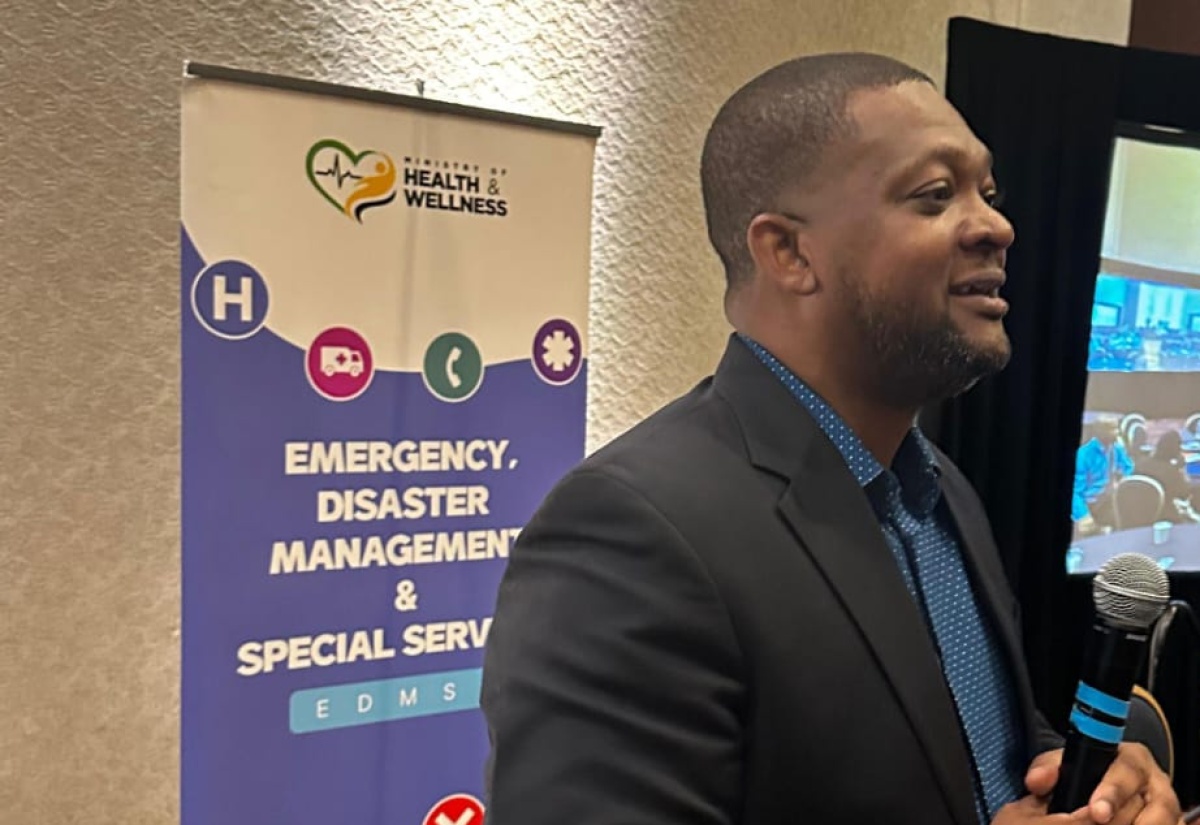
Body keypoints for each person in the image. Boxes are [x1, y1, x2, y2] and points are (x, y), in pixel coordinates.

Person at [481, 54, 1180, 825]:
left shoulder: (940, 492)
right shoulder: (631, 531)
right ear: (788, 252)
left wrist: (1087, 786)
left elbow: (972, 762)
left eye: (989, 190)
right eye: (935, 195)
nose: (995, 225)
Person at [1073, 420, 1135, 535]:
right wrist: (1083, 515)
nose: (1117, 432)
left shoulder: (1116, 448)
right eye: (1112, 429)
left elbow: (1128, 467)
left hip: (1110, 498)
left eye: (1117, 428)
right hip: (1091, 505)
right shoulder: (1084, 455)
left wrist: (1122, 480)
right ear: (1100, 432)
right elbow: (1075, 491)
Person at [1135, 429, 1198, 522]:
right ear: (1174, 450)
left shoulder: (1141, 463)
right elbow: (1184, 494)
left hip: (1138, 512)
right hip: (1164, 516)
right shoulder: (1171, 472)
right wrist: (1181, 469)